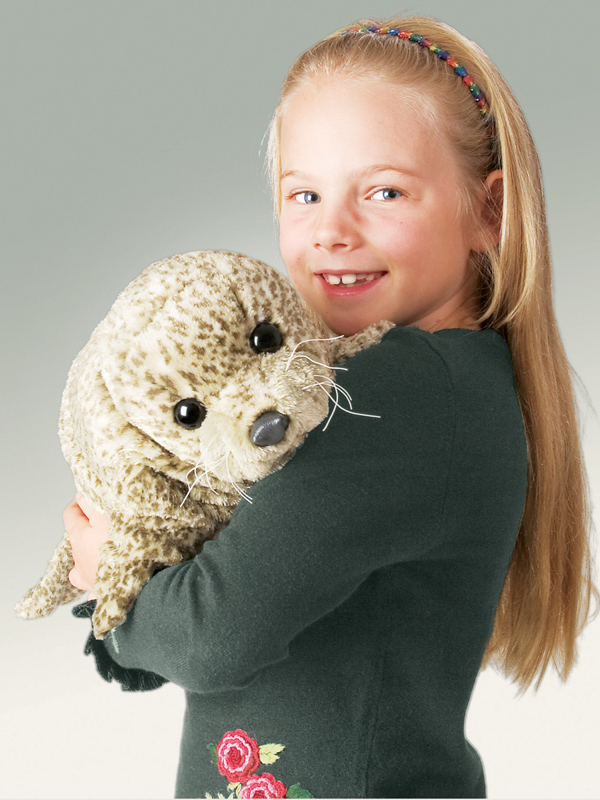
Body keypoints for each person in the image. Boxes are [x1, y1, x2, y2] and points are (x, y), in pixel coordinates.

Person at [64, 15, 598, 799]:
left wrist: (109, 578)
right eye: (304, 193)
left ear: (489, 212)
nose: (332, 232)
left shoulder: (396, 394)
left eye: (383, 192)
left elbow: (213, 635)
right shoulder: (451, 383)